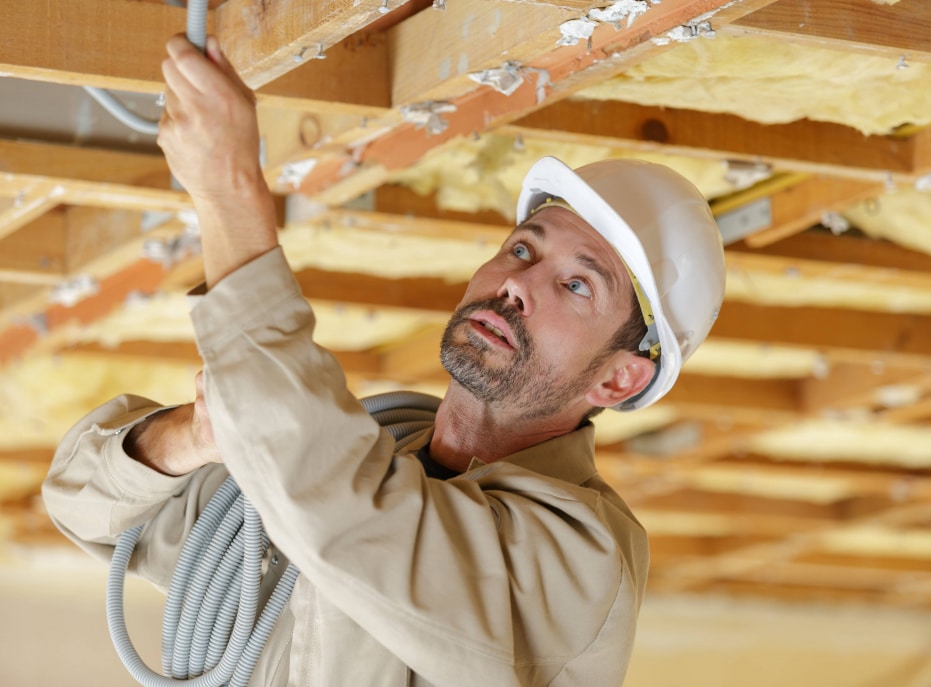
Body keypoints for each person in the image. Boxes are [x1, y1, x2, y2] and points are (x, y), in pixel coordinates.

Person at [43, 34, 725, 687]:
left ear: (618, 377)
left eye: (577, 284)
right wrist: (193, 437)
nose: (519, 282)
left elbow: (345, 513)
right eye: (523, 249)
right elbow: (81, 498)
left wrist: (230, 193)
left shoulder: (581, 558)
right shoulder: (364, 457)